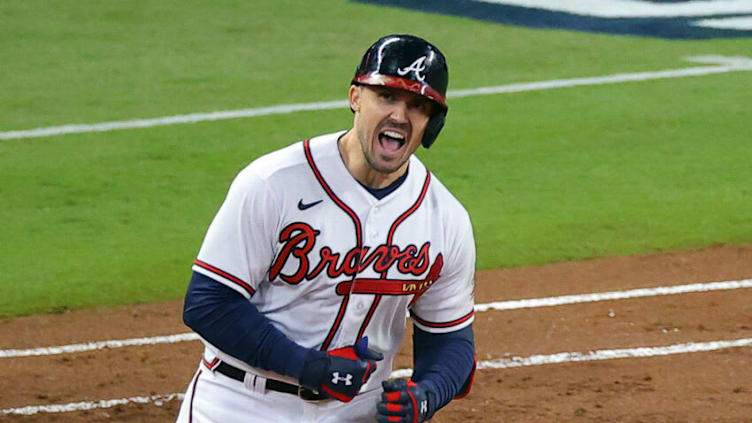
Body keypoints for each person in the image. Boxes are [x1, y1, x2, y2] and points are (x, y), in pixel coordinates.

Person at [176, 34, 476, 423]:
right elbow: (209, 303)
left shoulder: (445, 218)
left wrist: (427, 395)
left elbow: (450, 340)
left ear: (432, 122)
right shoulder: (274, 183)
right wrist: (309, 366)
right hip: (241, 405)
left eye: (418, 105)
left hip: (357, 412)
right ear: (355, 97)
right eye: (386, 97)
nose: (400, 116)